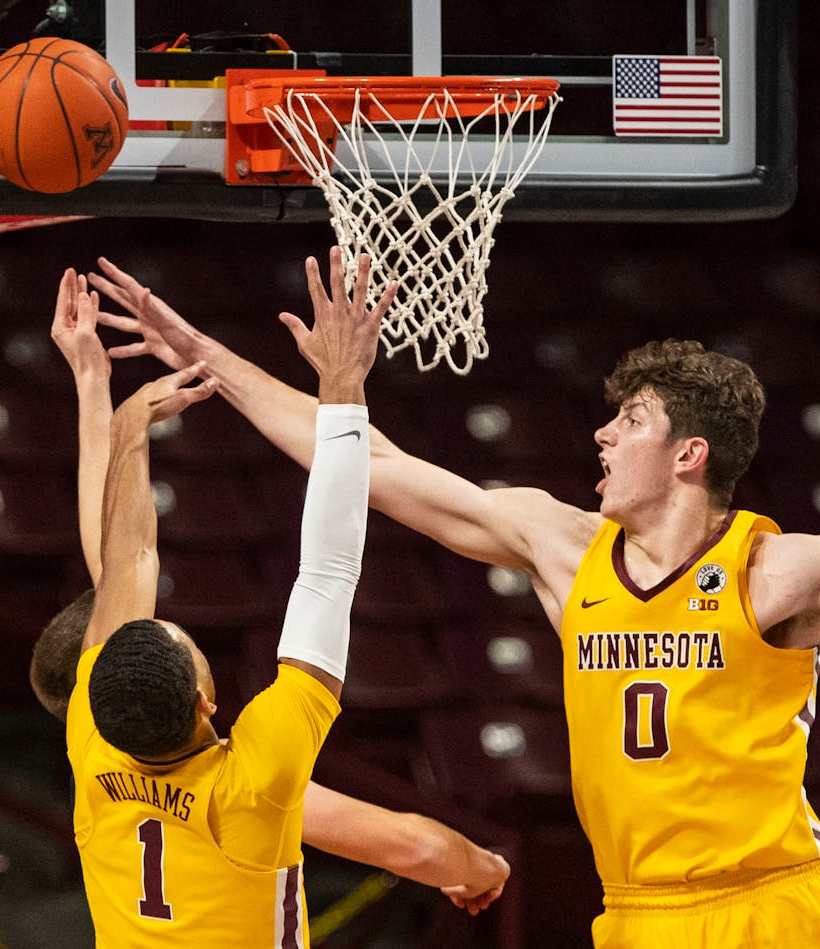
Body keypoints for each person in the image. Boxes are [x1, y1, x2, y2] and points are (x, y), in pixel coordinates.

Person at [90, 256, 820, 949]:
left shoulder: (776, 570)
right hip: (637, 911)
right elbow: (374, 468)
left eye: (627, 421)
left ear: (690, 453)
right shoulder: (561, 548)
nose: (599, 433)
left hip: (765, 907)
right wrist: (215, 356)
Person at [41, 268, 509, 918]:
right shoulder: (254, 782)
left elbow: (122, 561)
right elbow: (322, 570)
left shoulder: (96, 743)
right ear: (205, 702)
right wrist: (342, 382)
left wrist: (101, 396)